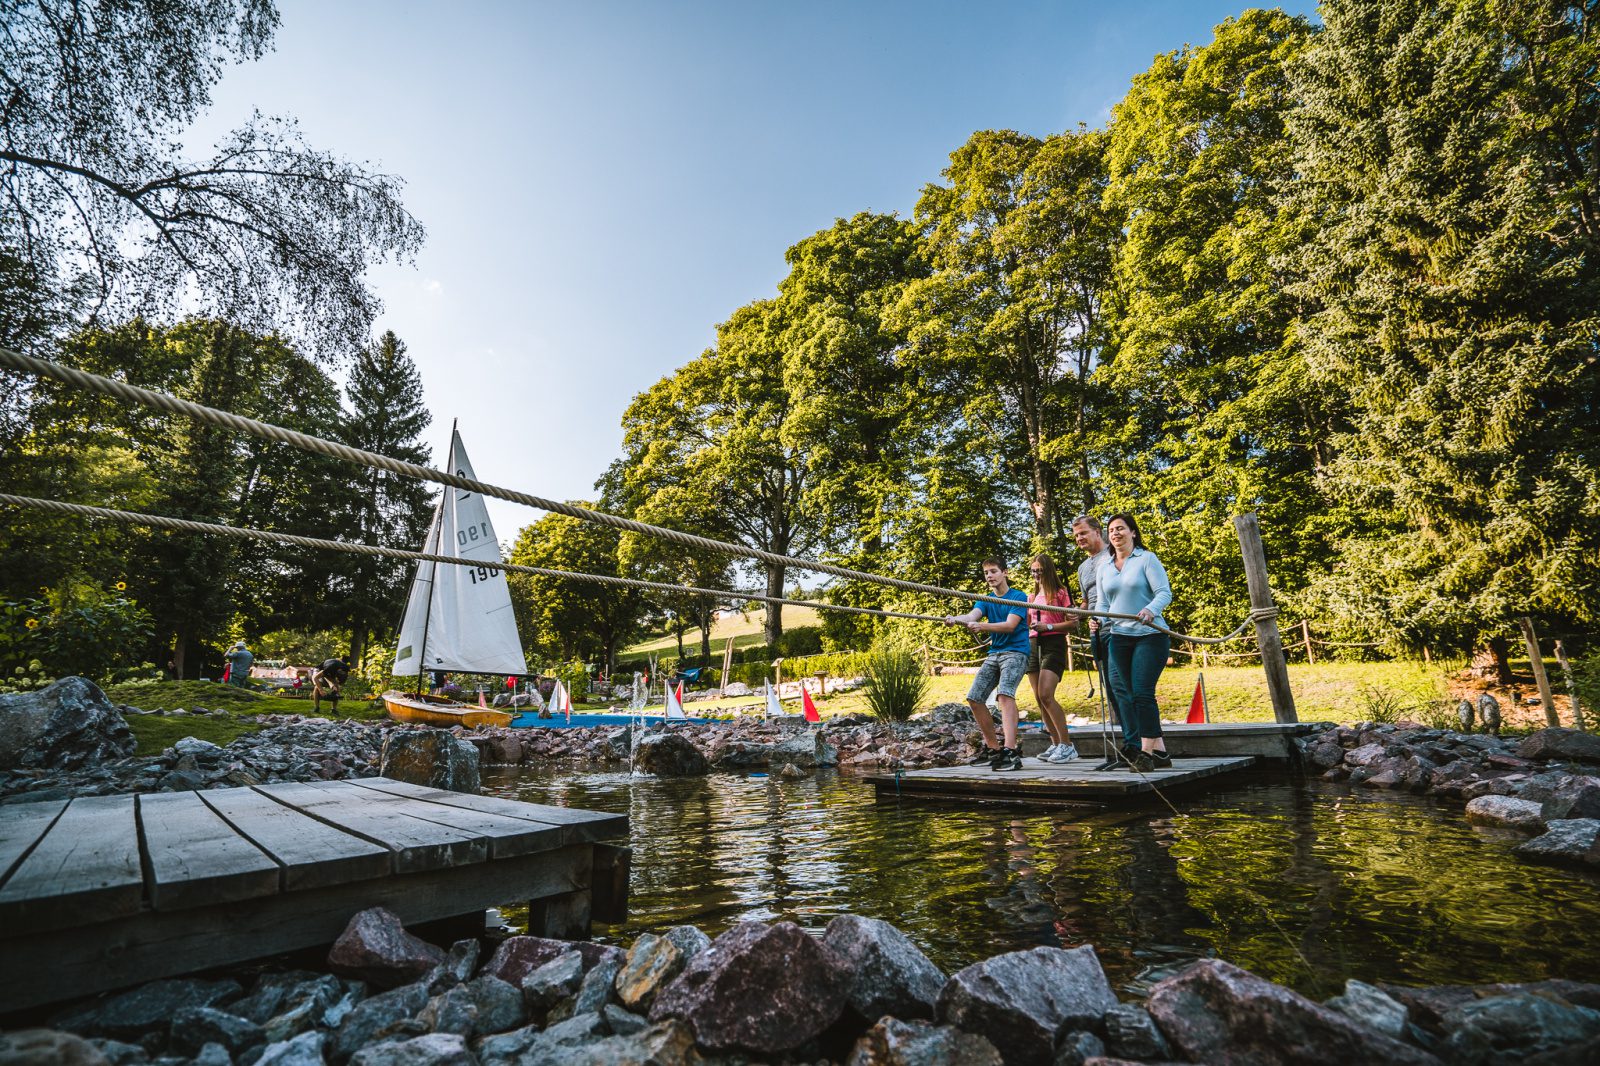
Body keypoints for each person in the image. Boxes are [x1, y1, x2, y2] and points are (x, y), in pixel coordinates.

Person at [1098, 513, 1173, 772]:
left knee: (1142, 693)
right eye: (1111, 530)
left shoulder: (1146, 559)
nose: (1115, 533)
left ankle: (1146, 754)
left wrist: (1151, 609)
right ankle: (1160, 752)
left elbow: (1164, 593)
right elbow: (1103, 605)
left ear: (1133, 532)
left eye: (1120, 528)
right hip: (1119, 637)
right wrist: (1096, 619)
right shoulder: (1105, 567)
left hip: (1150, 635)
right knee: (1130, 696)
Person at [943, 557, 1031, 772]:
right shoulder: (985, 600)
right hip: (995, 653)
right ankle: (994, 749)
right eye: (986, 573)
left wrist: (982, 626)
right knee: (974, 698)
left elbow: (1010, 626)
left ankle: (1010, 751)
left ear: (1005, 572)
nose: (989, 576)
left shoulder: (1018, 596)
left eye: (993, 571)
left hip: (1016, 652)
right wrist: (955, 619)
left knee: (1005, 694)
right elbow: (971, 615)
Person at [1073, 515, 1135, 770]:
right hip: (1096, 631)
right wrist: (1079, 613)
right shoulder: (1083, 568)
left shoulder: (1114, 556)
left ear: (1098, 532)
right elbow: (1088, 600)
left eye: (1083, 533)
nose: (1079, 539)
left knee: (1123, 686)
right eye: (1076, 535)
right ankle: (1128, 744)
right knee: (1110, 689)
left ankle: (1137, 744)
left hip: (1119, 629)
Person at [1025, 553, 1078, 763]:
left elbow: (1073, 623)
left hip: (1053, 643)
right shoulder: (1031, 597)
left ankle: (1067, 745)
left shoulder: (1060, 593)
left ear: (1048, 571)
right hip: (1033, 644)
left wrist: (1048, 626)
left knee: (1046, 694)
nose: (1036, 575)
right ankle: (1056, 743)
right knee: (1039, 698)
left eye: (1039, 570)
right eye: (1033, 571)